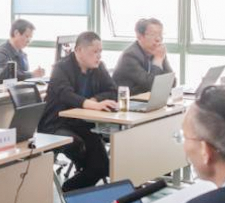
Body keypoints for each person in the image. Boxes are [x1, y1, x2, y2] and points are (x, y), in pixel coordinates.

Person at [38, 31, 117, 191]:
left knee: (102, 166)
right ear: (79, 50)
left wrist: (94, 100)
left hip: (81, 123)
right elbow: (65, 94)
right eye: (95, 52)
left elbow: (113, 90)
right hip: (56, 124)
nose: (99, 56)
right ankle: (69, 192)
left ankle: (70, 190)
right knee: (81, 148)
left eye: (100, 51)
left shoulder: (98, 67)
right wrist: (92, 105)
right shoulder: (61, 68)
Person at [111, 17, 175, 95]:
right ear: (139, 37)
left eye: (160, 34)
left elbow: (172, 82)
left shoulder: (157, 52)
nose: (158, 39)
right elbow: (151, 85)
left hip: (146, 99)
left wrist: (159, 58)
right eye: (153, 35)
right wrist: (158, 59)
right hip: (127, 100)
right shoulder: (129, 56)